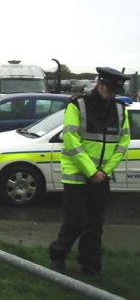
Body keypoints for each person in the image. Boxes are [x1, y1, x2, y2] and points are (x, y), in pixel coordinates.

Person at [49, 67, 131, 276]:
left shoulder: (121, 109)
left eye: (116, 91)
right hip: (77, 176)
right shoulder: (77, 105)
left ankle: (90, 266)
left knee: (95, 225)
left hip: (101, 177)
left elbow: (123, 143)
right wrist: (92, 171)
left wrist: (104, 171)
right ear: (100, 84)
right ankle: (57, 255)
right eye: (110, 89)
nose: (112, 94)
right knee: (74, 222)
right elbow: (71, 141)